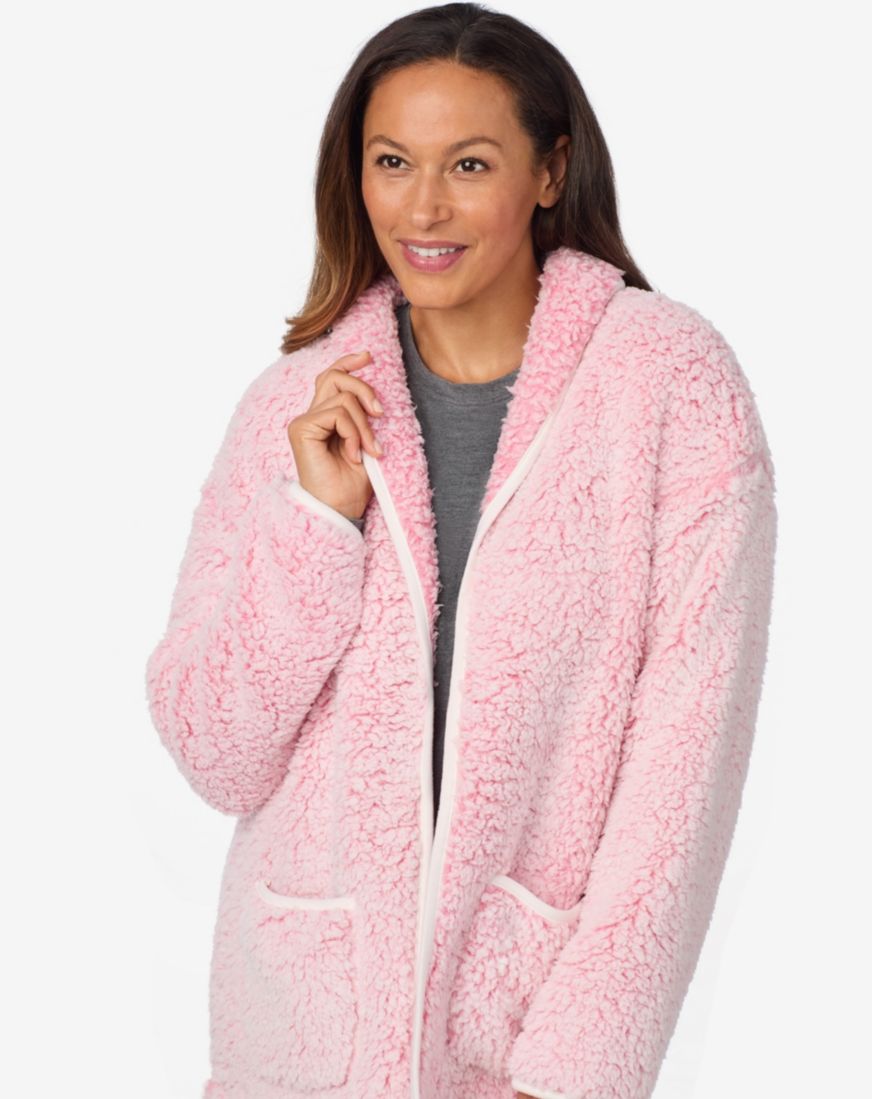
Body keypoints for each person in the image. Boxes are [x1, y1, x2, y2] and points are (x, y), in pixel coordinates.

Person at [144, 4, 778, 1098]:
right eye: (392, 161)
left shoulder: (669, 389)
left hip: (523, 1042)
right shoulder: (293, 409)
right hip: (303, 1049)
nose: (423, 207)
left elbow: (685, 766)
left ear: (551, 170)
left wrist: (575, 1070)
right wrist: (317, 522)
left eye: (469, 163)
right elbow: (215, 752)